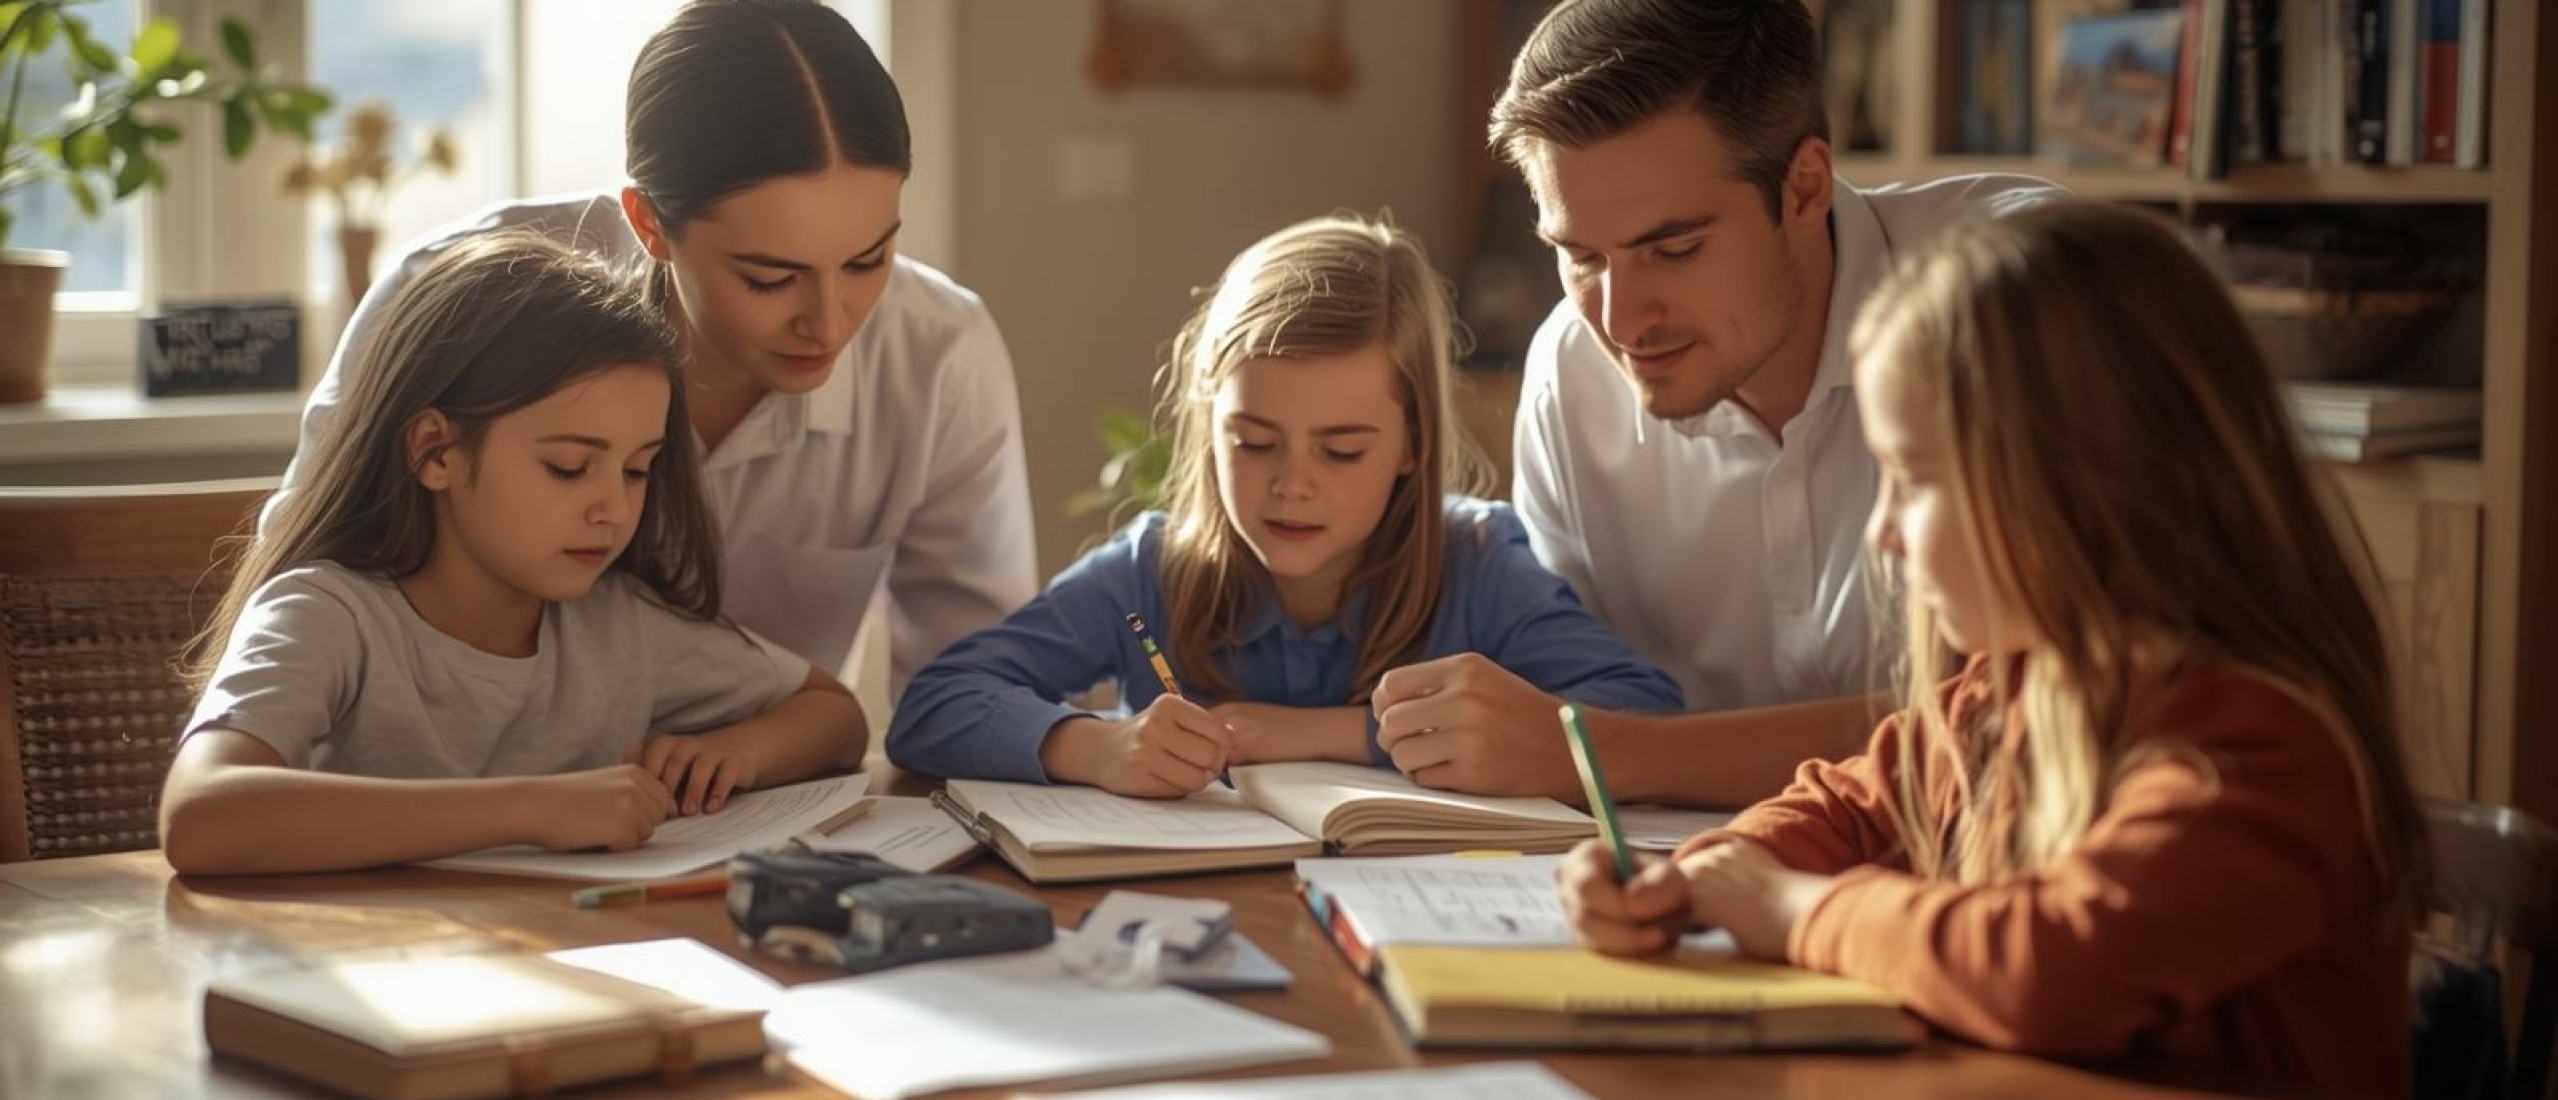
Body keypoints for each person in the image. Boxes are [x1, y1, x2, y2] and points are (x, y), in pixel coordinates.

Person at [1557, 203, 2424, 1097]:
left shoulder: (2259, 755)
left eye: (1917, 481)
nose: (1883, 532)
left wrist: (1790, 910)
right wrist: (1695, 880)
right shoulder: (2005, 695)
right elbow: (1846, 808)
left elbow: (2046, 968)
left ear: (2088, 481)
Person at [1373, 0, 2059, 806]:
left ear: (1804, 187)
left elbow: (2034, 719)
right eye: (1582, 257)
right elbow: (1571, 694)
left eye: (1675, 249)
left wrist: (1612, 755)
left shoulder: (2025, 297)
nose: (1622, 321)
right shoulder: (1571, 367)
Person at [272, 0, 1033, 692]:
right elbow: (304, 589)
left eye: (868, 262)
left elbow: (975, 682)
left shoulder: (939, 355)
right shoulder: (449, 301)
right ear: (650, 224)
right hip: (455, 803)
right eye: (770, 277)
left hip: (759, 806)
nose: (830, 324)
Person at [887, 214, 1681, 796]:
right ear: (1209, 424)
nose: (1292, 484)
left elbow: (1646, 720)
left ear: (1413, 444)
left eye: (1341, 451)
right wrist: (1090, 747)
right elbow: (933, 707)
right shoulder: (1152, 569)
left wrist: (1334, 732)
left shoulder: (1476, 565)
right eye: (1254, 441)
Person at [162, 232, 868, 875]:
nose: (613, 509)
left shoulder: (619, 625)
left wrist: (738, 752)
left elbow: (833, 716)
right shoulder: (328, 615)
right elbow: (200, 817)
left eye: (635, 469)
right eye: (567, 467)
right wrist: (534, 808)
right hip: (350, 975)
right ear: (436, 451)